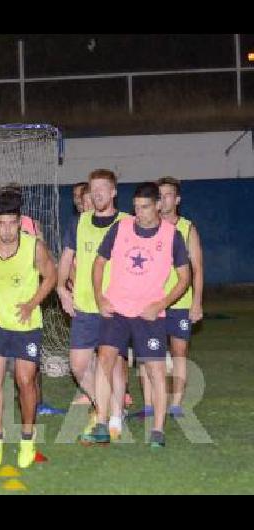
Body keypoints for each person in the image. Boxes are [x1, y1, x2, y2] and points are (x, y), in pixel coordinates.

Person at [80, 182, 190, 449]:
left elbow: (185, 277)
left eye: (144, 207)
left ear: (158, 206)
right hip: (116, 310)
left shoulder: (172, 235)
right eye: (136, 207)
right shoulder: (121, 227)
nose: (138, 213)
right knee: (104, 359)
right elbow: (98, 263)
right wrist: (100, 297)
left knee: (155, 370)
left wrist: (161, 303)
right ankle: (102, 424)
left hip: (150, 315)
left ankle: (158, 431)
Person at [0, 192, 57, 468]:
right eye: (1, 223)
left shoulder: (34, 247)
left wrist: (32, 304)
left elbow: (51, 276)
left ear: (20, 222)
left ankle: (27, 440)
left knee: (25, 379)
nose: (7, 230)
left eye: (12, 223)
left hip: (26, 325)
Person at [58, 170, 129, 439]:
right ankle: (109, 407)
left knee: (115, 363)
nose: (98, 193)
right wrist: (61, 289)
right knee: (78, 365)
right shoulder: (79, 222)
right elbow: (65, 258)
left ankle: (113, 419)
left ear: (113, 192)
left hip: (117, 306)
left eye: (103, 189)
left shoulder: (126, 223)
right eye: (93, 189)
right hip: (85, 306)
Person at [132, 177, 204, 420]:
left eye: (169, 194)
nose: (163, 199)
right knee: (147, 353)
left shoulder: (187, 228)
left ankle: (175, 404)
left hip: (180, 302)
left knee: (179, 351)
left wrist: (197, 302)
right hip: (151, 301)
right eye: (159, 195)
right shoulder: (146, 227)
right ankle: (150, 404)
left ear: (177, 199)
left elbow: (198, 268)